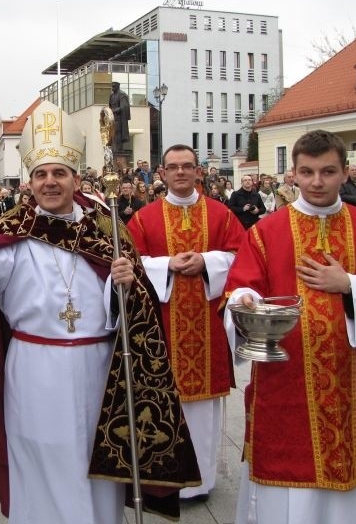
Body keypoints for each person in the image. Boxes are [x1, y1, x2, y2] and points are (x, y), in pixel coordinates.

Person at [0, 101, 199, 523]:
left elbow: (135, 308)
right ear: (29, 182)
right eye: (41, 174)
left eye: (59, 173)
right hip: (35, 373)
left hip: (99, 371)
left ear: (75, 178)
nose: (50, 182)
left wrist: (125, 286)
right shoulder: (12, 235)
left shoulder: (106, 230)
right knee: (41, 459)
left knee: (100, 464)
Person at [223, 130, 356, 524]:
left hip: (351, 381)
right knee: (284, 483)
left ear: (344, 172)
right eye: (307, 172)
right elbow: (241, 286)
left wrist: (349, 285)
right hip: (284, 379)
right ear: (292, 174)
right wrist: (242, 301)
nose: (317, 181)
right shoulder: (266, 232)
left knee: (346, 478)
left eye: (328, 171)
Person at [127, 144, 246, 501]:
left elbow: (242, 258)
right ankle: (164, 477)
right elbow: (129, 264)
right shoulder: (144, 217)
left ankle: (201, 482)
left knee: (201, 409)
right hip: (159, 330)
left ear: (199, 172)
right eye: (173, 167)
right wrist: (167, 265)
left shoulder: (221, 214)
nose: (181, 172)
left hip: (206, 328)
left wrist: (208, 262)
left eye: (188, 166)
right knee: (161, 403)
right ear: (161, 174)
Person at [109, 81, 131, 153]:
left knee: (118, 133)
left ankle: (118, 149)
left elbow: (124, 107)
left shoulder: (122, 94)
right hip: (112, 118)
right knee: (112, 133)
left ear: (118, 86)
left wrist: (114, 110)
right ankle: (114, 148)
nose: (112, 88)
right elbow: (110, 106)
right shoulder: (111, 96)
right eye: (112, 86)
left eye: (114, 86)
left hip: (119, 119)